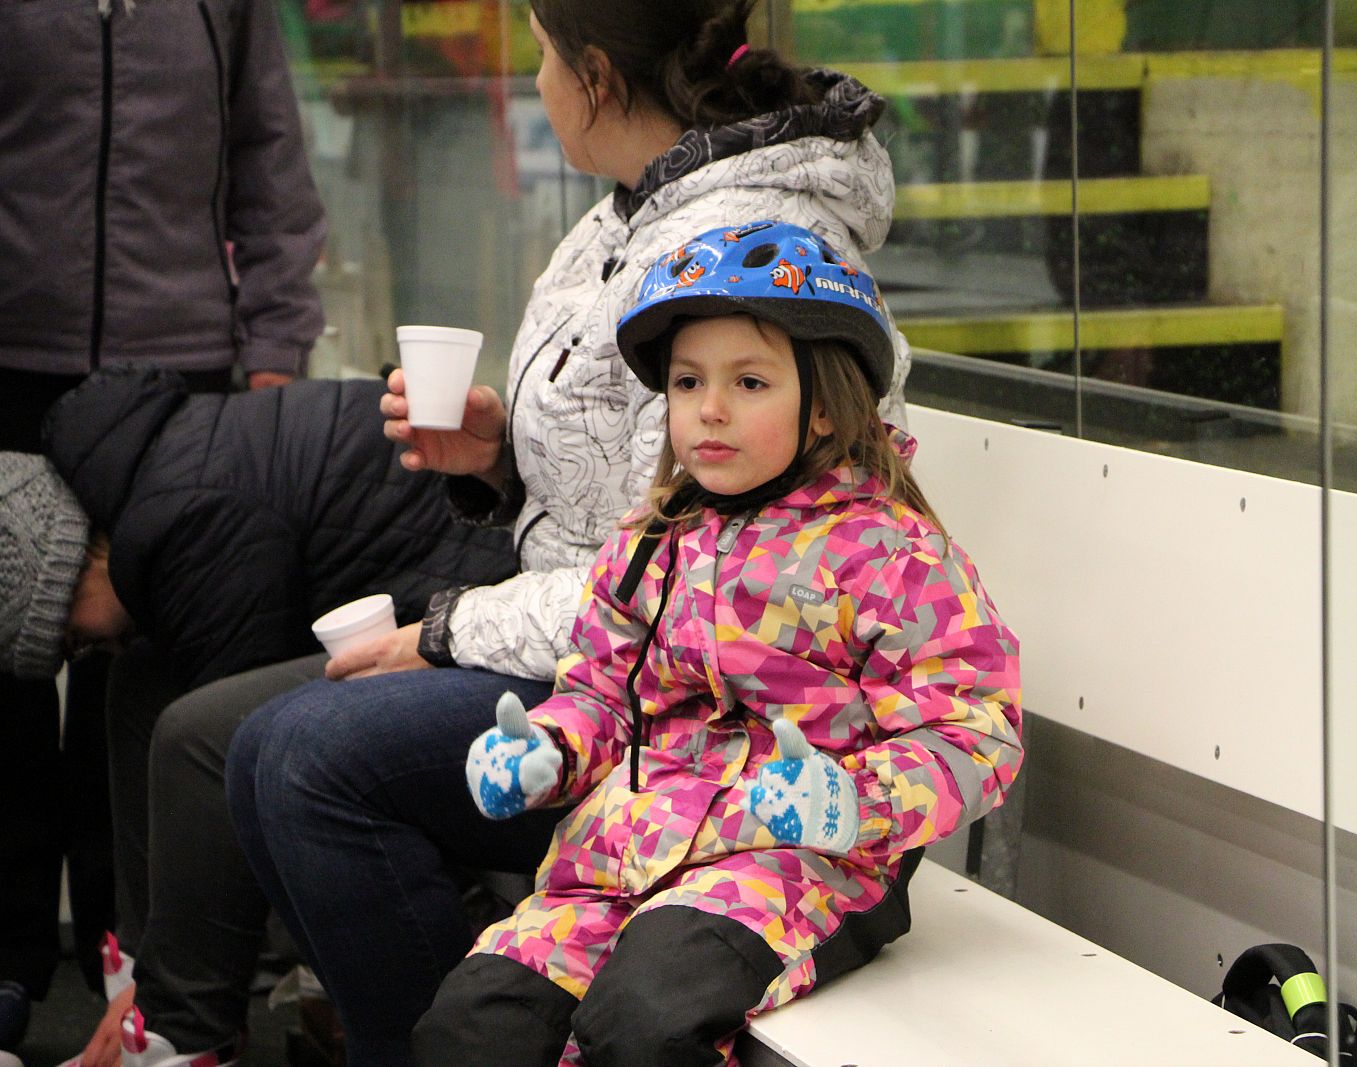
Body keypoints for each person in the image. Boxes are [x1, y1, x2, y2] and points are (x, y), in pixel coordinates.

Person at [226, 3, 912, 1063]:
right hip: (622, 722)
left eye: (542, 59)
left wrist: (451, 631)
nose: (707, 409)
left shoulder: (749, 253)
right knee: (261, 753)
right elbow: (635, 587)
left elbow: (704, 596)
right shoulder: (622, 219)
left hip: (740, 783)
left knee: (303, 760)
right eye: (689, 383)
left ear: (594, 76)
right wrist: (498, 461)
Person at [410, 221, 1024, 1065]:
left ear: (823, 404)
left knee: (645, 1024)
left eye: (750, 381)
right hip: (618, 858)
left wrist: (850, 798)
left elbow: (976, 730)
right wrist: (550, 750)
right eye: (688, 380)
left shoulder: (890, 552)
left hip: (795, 862)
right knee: (471, 1027)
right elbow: (601, 693)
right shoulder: (651, 538)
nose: (710, 408)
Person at [0, 366, 512, 1067]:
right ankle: (150, 986)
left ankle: (181, 1029)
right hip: (426, 575)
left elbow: (235, 773)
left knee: (204, 739)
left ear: (67, 570)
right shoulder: (154, 478)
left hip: (478, 601)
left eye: (71, 638)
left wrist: (166, 982)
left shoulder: (187, 519)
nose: (89, 648)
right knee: (140, 684)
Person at [0, 0, 325, 1054]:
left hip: (178, 370)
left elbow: (268, 152)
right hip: (11, 361)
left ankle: (137, 961)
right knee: (7, 676)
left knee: (146, 681)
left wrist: (275, 342)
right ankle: (7, 964)